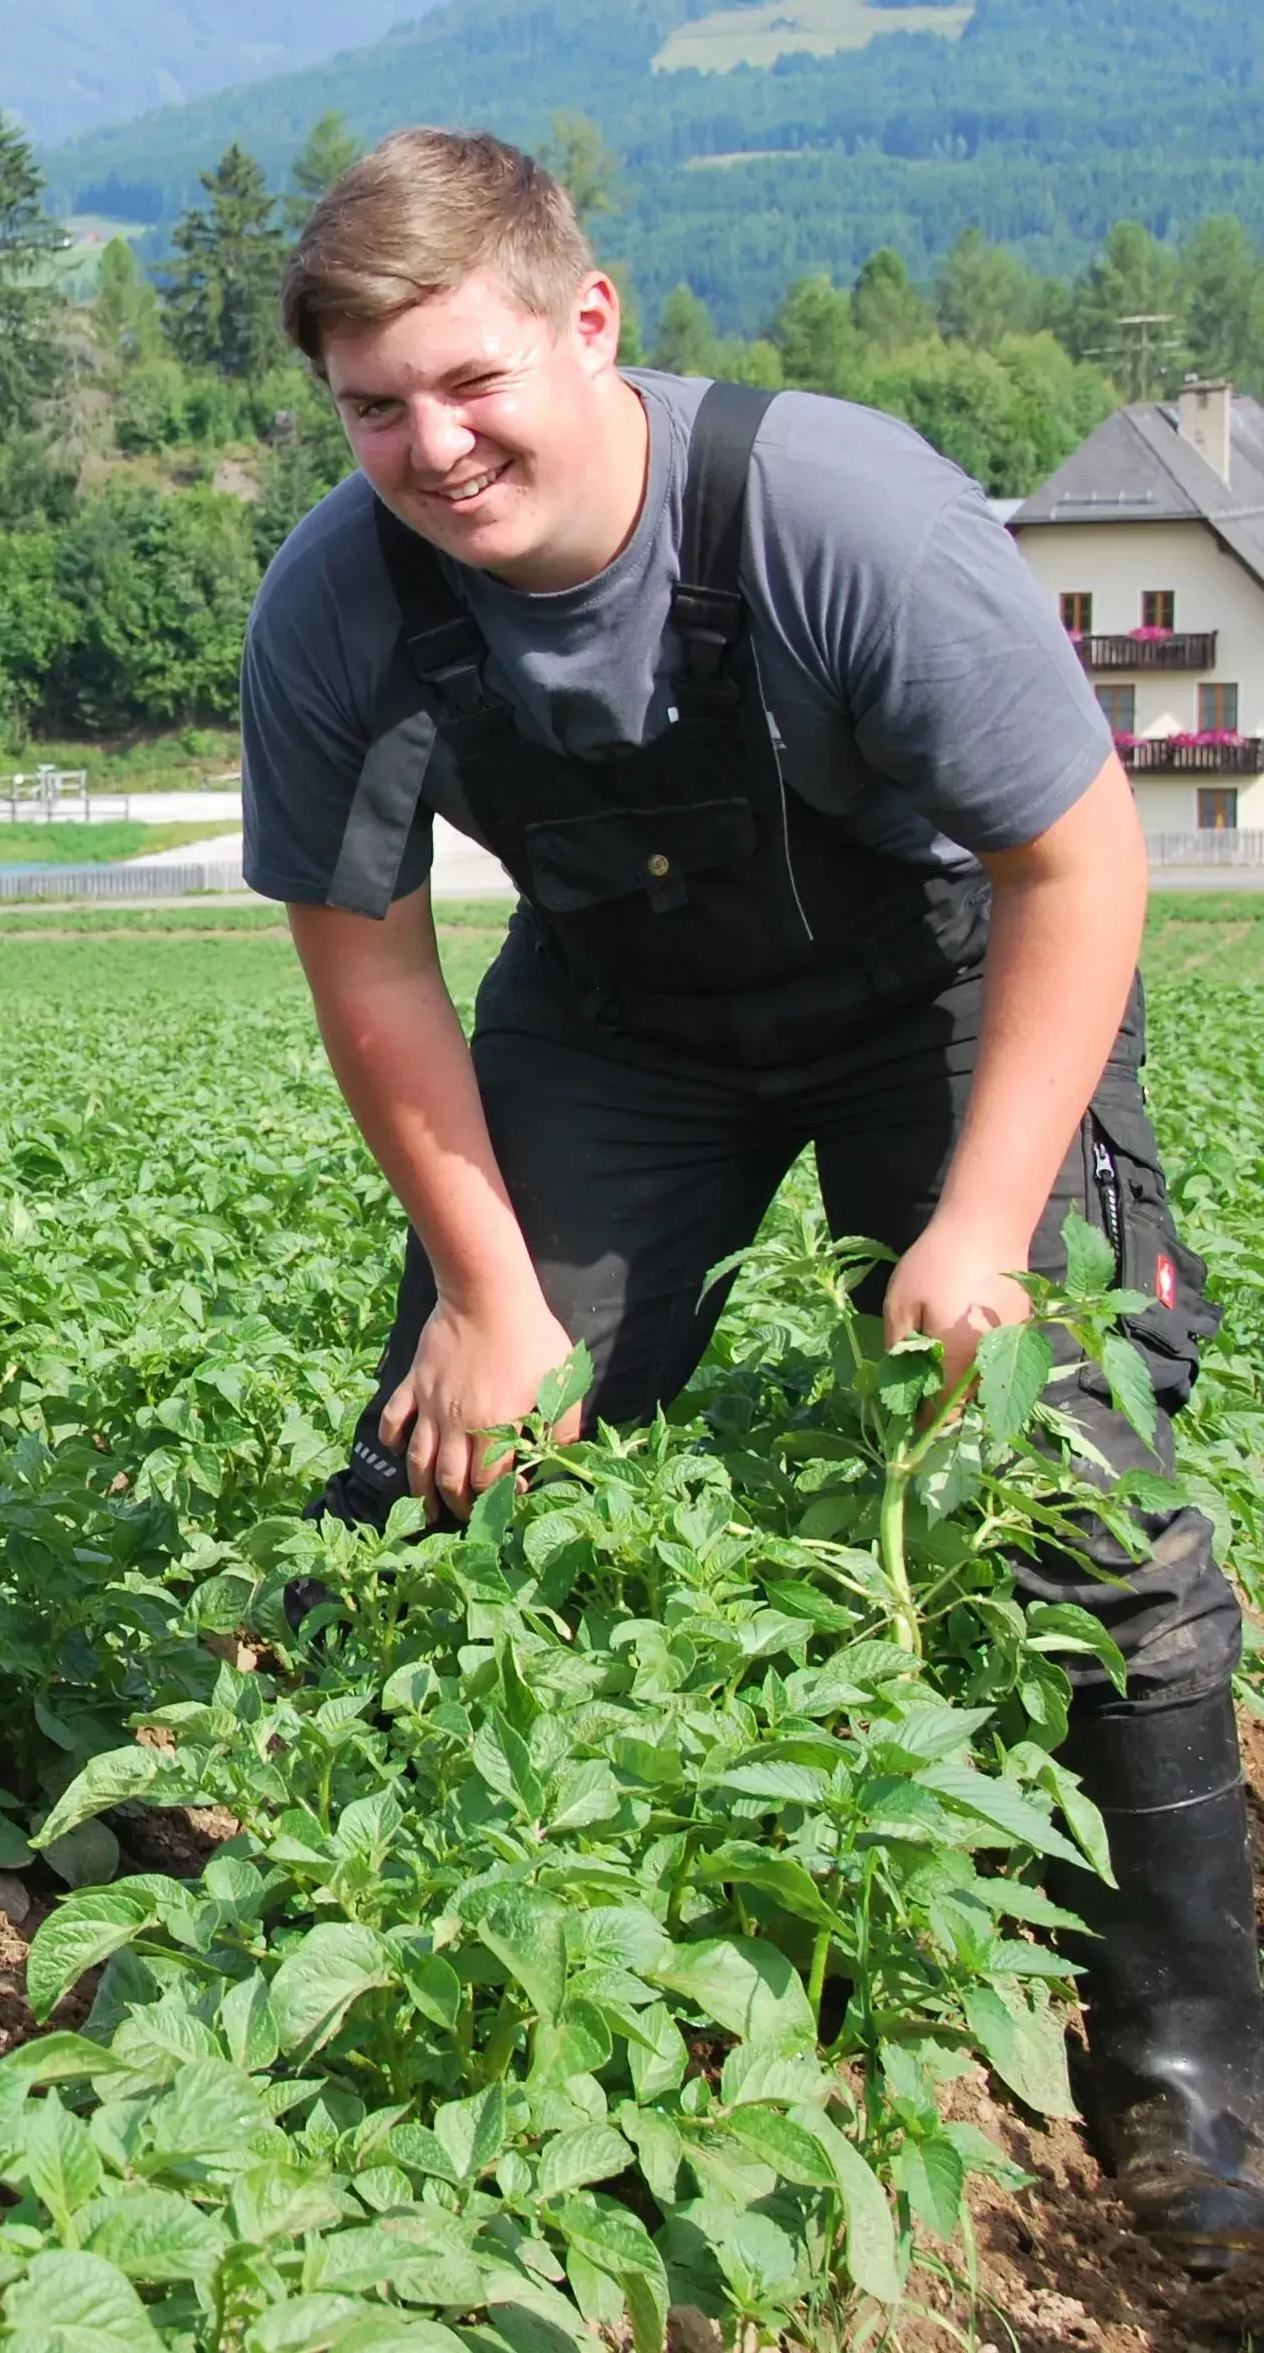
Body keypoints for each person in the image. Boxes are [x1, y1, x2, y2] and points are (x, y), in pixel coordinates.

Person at [241, 130, 1251, 2270]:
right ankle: (316, 1929)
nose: (426, 447)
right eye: (369, 407)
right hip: (620, 1017)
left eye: (466, 382)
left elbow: (1078, 863)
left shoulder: (827, 514)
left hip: (943, 985)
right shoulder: (338, 602)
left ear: (582, 321)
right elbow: (367, 965)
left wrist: (975, 1235)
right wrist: (484, 1289)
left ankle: (1175, 2067)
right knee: (455, 1455)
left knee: (1070, 1482)